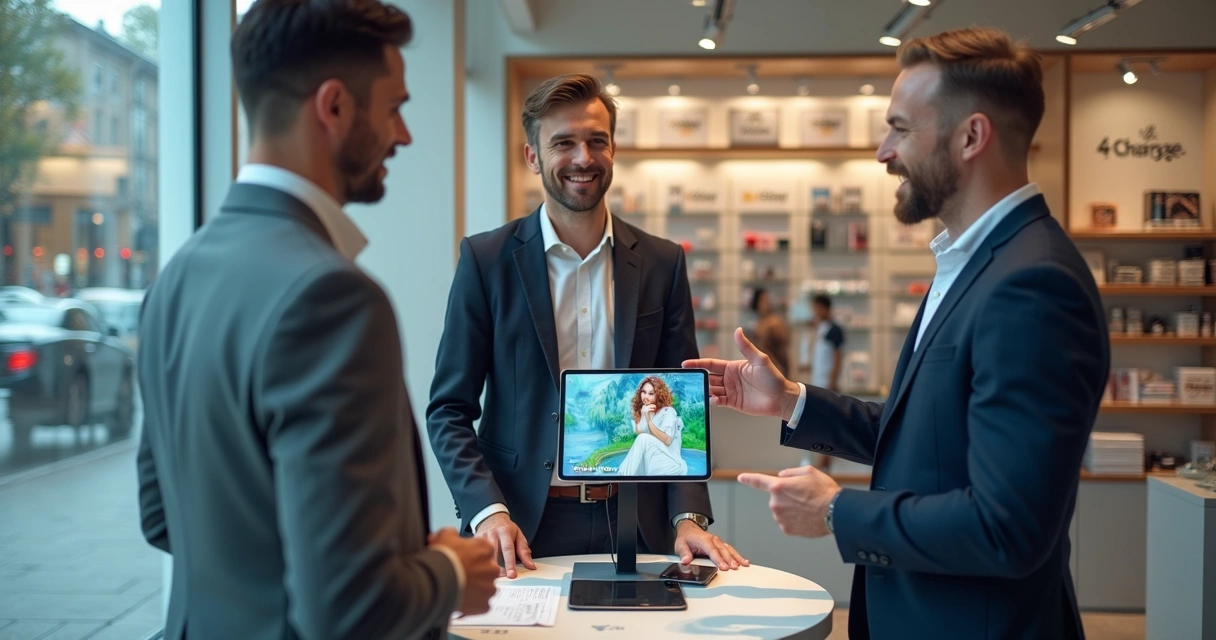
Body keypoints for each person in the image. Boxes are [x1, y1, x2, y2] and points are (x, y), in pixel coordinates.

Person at [683, 27, 1108, 640]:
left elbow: (1008, 528)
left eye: (901, 129)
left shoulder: (1032, 284)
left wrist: (837, 510)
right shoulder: (974, 265)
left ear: (971, 136)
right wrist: (791, 401)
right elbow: (927, 439)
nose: (884, 151)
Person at [135, 2, 498, 638]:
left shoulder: (177, 275)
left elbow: (164, 519)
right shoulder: (330, 297)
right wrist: (446, 570)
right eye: (394, 107)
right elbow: (349, 609)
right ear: (333, 107)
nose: (404, 135)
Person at [428, 73, 746, 580]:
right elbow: (448, 410)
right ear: (533, 156)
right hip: (517, 527)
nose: (583, 157)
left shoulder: (663, 263)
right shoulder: (486, 260)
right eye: (563, 143)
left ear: (613, 149)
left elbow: (681, 397)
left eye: (597, 141)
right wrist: (487, 511)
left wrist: (687, 516)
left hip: (635, 521)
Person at [617, 376, 687, 476]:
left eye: (651, 394)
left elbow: (667, 440)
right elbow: (639, 431)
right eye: (643, 392)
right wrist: (642, 416)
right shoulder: (646, 409)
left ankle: (624, 477)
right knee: (642, 440)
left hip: (670, 461)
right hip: (652, 457)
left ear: (659, 395)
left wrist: (648, 419)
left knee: (643, 439)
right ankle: (623, 477)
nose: (645, 397)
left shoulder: (668, 412)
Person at [750, 288, 790, 376]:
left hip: (775, 368)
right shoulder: (761, 322)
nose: (766, 303)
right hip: (762, 368)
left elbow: (782, 347)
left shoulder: (775, 322)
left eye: (766, 299)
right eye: (762, 300)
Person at [809, 294, 844, 392]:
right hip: (817, 380)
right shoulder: (820, 327)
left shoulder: (834, 329)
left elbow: (837, 356)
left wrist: (832, 381)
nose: (815, 312)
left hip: (827, 382)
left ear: (823, 308)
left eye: (816, 309)